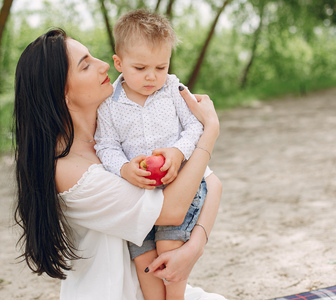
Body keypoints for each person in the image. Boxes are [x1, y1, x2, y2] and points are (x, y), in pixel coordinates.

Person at [13, 28, 225, 300]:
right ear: (63, 92)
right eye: (86, 64)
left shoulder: (120, 141)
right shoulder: (67, 171)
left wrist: (194, 246)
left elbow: (212, 183)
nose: (104, 65)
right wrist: (210, 130)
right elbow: (171, 210)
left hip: (149, 287)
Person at [94, 10, 219, 300]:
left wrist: (177, 152)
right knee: (144, 260)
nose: (152, 76)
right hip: (139, 197)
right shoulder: (109, 105)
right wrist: (125, 168)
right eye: (140, 68)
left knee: (168, 249)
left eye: (161, 67)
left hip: (179, 188)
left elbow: (194, 127)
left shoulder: (174, 90)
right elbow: (106, 146)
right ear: (119, 62)